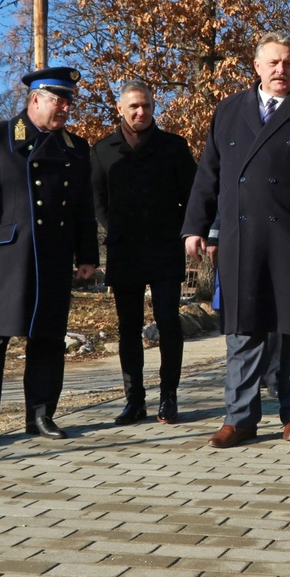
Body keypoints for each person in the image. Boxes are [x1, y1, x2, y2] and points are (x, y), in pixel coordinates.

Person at [182, 31, 290, 449]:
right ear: (257, 66)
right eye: (274, 63)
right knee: (244, 329)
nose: (282, 70)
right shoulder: (228, 110)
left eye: (289, 63)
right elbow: (209, 174)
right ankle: (239, 419)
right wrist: (195, 226)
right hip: (241, 238)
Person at [0, 67, 99, 447]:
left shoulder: (76, 147)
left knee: (48, 339)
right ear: (35, 99)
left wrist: (87, 253)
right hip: (7, 256)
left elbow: (83, 207)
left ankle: (41, 415)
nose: (66, 109)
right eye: (59, 101)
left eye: (69, 103)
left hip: (54, 254)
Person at [91, 81, 197, 426]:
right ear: (120, 108)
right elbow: (98, 202)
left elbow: (192, 195)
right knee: (128, 327)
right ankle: (134, 401)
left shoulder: (174, 146)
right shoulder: (102, 150)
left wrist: (183, 230)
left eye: (147, 106)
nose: (141, 112)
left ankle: (169, 397)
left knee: (168, 322)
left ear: (154, 107)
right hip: (125, 249)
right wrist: (118, 228)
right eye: (134, 106)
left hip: (164, 247)